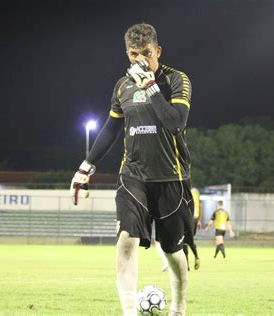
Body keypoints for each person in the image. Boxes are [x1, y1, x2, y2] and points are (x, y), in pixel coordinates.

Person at [70, 23, 194, 316]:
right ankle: (129, 313)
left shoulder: (176, 80)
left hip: (171, 177)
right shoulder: (122, 86)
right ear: (127, 54)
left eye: (147, 54)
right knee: (126, 240)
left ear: (158, 51)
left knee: (173, 253)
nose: (140, 60)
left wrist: (151, 87)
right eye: (134, 54)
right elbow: (111, 129)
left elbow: (176, 123)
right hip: (133, 176)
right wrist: (86, 166)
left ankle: (179, 306)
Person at [183, 187, 201, 270]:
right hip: (195, 220)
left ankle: (187, 265)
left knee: (184, 241)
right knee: (189, 241)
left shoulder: (187, 193)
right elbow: (200, 207)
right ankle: (196, 256)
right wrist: (199, 221)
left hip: (189, 219)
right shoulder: (196, 193)